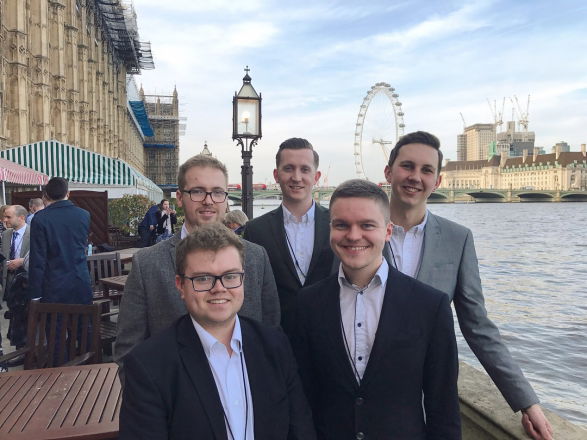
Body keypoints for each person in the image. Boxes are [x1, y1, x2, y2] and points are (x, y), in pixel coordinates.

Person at [383, 130, 553, 440]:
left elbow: (478, 326)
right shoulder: (357, 231)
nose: (415, 177)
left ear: (438, 181)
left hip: (427, 395)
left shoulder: (457, 239)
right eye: (407, 166)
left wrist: (526, 401)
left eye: (426, 170)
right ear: (388, 172)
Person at [293, 179, 460, 439]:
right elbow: (301, 396)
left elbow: (443, 407)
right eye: (342, 225)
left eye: (367, 225)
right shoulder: (307, 304)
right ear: (330, 230)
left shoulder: (430, 306)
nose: (353, 235)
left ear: (388, 231)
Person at [120, 223, 316, 439]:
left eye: (230, 276)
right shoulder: (149, 365)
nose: (219, 288)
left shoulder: (275, 346)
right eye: (203, 278)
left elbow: (301, 429)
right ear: (180, 285)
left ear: (243, 279)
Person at [115, 154, 280, 367]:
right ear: (179, 198)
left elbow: (271, 334)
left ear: (226, 199)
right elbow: (129, 353)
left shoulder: (257, 257)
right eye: (198, 191)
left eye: (217, 192)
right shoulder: (147, 264)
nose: (208, 200)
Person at [244, 138, 334, 338]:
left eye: (305, 169)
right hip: (277, 339)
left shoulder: (337, 225)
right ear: (276, 175)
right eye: (288, 168)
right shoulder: (256, 230)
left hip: (329, 336)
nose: (296, 177)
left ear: (316, 176)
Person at [28, 177, 92, 304]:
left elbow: (37, 259)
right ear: (68, 193)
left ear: (46, 195)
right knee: (81, 317)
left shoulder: (40, 218)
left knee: (54, 317)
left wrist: (35, 294)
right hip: (80, 281)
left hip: (53, 285)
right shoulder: (84, 215)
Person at [1, 205, 30, 352]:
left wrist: (22, 261)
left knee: (26, 319)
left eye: (8, 217)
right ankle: (19, 351)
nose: (4, 220)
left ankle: (27, 351)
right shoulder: (6, 234)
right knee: (14, 319)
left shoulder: (34, 233)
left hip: (26, 284)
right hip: (10, 284)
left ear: (21, 217)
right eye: (4, 216)